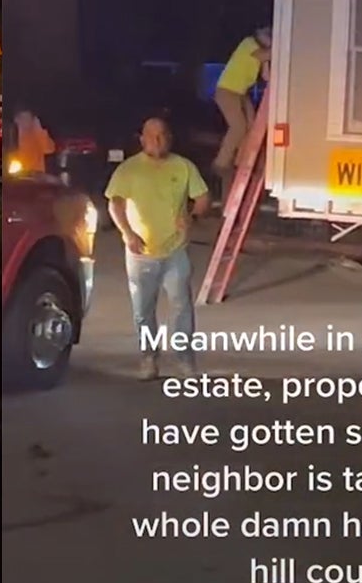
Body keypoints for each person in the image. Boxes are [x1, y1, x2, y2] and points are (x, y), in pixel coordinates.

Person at [105, 118, 211, 379]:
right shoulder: (129, 170)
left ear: (169, 138)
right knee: (143, 311)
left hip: (175, 252)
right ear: (142, 139)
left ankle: (185, 361)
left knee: (182, 308)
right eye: (151, 136)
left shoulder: (183, 166)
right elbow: (115, 204)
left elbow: (203, 198)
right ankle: (149, 359)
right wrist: (127, 233)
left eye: (162, 135)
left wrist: (193, 217)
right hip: (141, 254)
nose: (157, 140)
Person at [213, 26, 271, 179]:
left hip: (241, 92)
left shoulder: (261, 50)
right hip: (227, 91)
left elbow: (266, 76)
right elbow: (262, 56)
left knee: (251, 126)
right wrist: (281, 47)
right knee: (238, 127)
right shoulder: (249, 43)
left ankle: (242, 161)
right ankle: (221, 163)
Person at [6, 109, 58, 176]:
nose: (25, 122)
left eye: (28, 118)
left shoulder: (37, 134)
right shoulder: (11, 136)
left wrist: (39, 129)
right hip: (17, 177)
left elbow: (49, 150)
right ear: (16, 120)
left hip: (36, 176)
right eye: (22, 118)